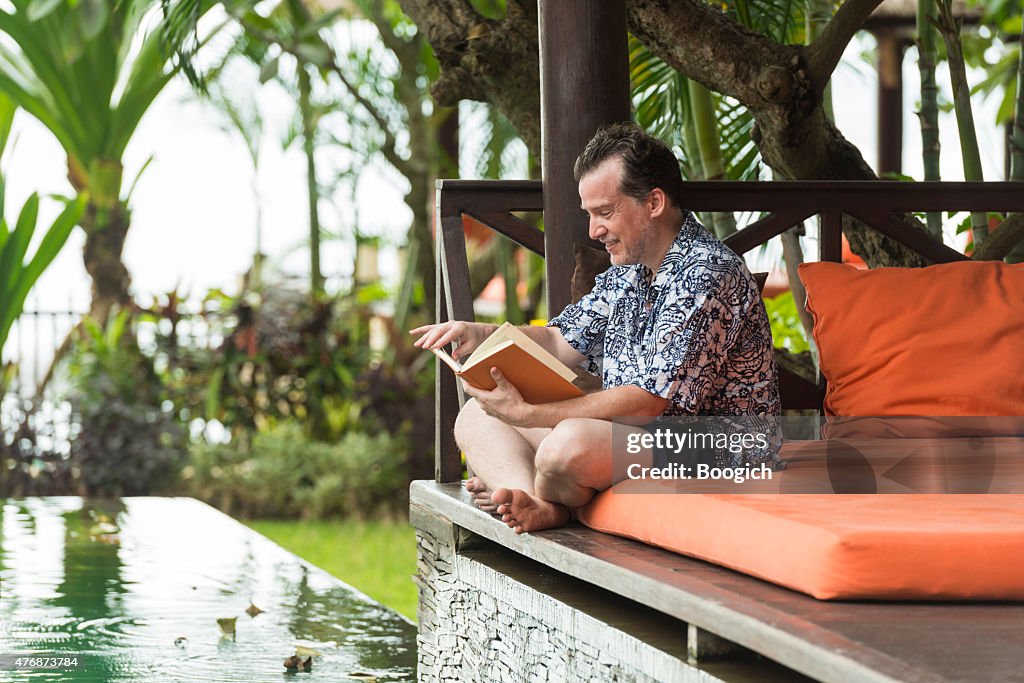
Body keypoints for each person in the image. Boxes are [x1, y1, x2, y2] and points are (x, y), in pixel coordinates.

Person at [411, 122, 779, 533]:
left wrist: (534, 415)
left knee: (566, 447)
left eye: (605, 213)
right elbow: (556, 339)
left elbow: (647, 402)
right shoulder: (628, 273)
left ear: (653, 202)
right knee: (476, 418)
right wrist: (482, 333)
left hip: (718, 445)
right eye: (590, 214)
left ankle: (551, 491)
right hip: (634, 435)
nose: (593, 230)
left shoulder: (706, 273)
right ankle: (534, 500)